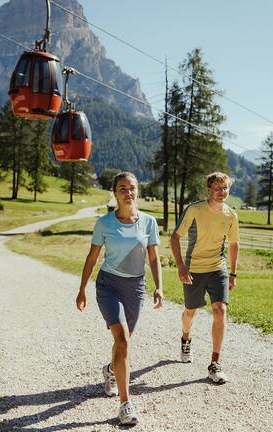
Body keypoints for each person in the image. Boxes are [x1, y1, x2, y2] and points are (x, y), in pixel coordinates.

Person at [76, 171, 164, 426]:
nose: (128, 192)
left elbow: (154, 258)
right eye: (122, 188)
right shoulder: (104, 223)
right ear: (114, 193)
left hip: (135, 287)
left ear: (138, 191)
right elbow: (92, 258)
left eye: (132, 188)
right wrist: (82, 288)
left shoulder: (148, 222)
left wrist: (159, 287)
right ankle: (125, 404)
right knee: (122, 340)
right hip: (108, 285)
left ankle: (111, 370)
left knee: (125, 341)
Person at [170, 172, 239, 383]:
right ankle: (185, 337)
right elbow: (175, 237)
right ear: (209, 190)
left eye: (225, 188)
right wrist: (181, 266)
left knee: (220, 310)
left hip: (218, 267)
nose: (221, 192)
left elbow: (234, 244)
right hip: (194, 268)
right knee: (191, 312)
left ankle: (215, 363)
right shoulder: (195, 209)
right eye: (217, 189)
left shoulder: (231, 215)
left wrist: (233, 273)